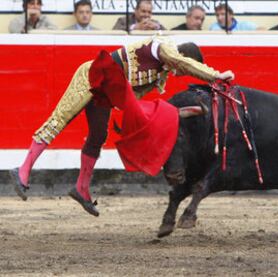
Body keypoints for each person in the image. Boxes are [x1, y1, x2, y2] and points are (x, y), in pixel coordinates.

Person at [9, 35, 234, 217]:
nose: (179, 73)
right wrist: (215, 76)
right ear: (182, 56)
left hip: (106, 91)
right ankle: (23, 170)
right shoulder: (162, 46)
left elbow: (132, 100)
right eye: (183, 68)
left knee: (98, 137)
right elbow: (181, 63)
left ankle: (81, 189)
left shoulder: (160, 73)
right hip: (91, 75)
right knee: (60, 119)